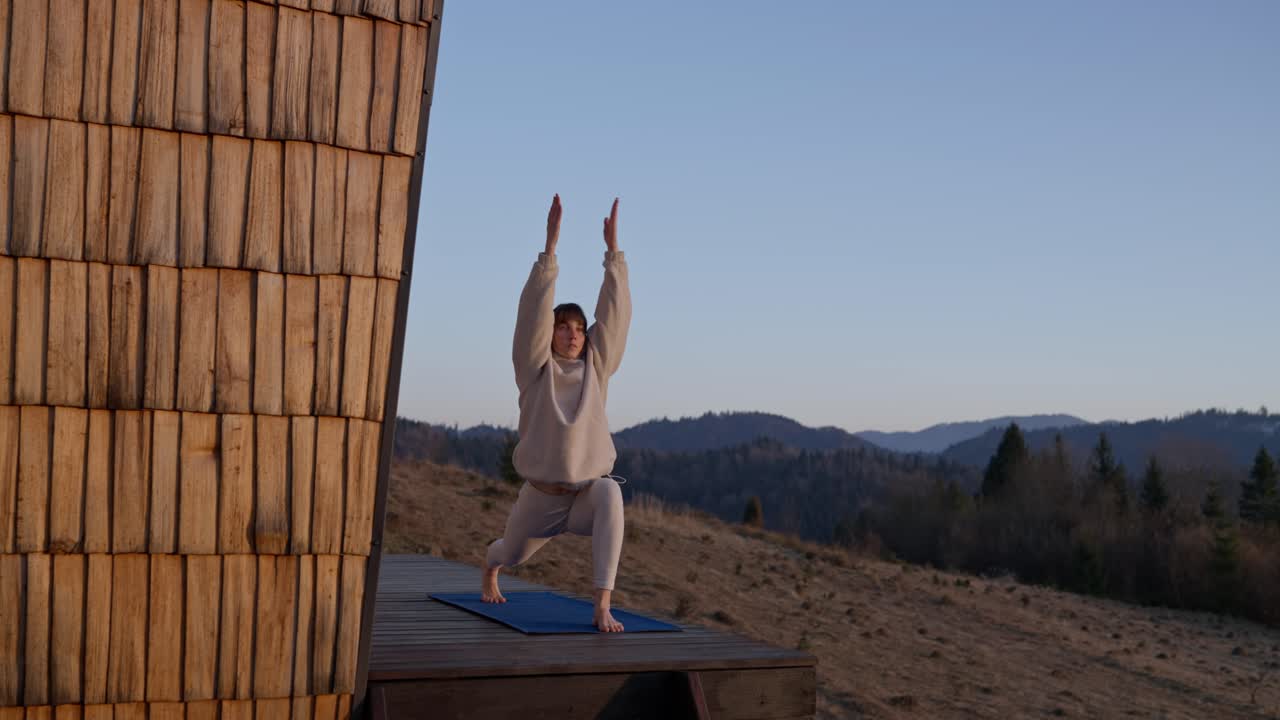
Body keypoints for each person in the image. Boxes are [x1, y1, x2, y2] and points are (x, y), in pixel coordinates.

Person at [482, 194, 632, 632]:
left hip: (584, 497)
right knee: (509, 553)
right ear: (550, 333)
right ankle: (489, 568)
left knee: (611, 494)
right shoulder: (533, 370)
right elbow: (530, 317)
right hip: (542, 499)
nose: (572, 335)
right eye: (563, 326)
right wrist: (550, 249)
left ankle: (602, 604)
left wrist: (613, 254)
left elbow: (616, 317)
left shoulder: (596, 370)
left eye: (580, 328)